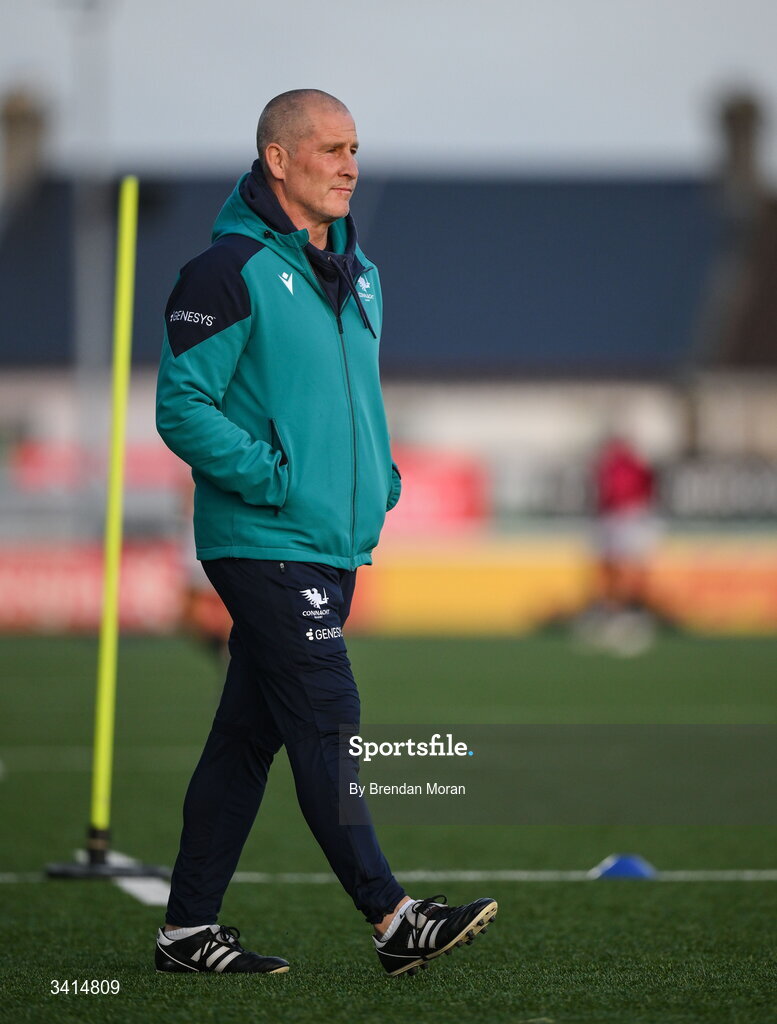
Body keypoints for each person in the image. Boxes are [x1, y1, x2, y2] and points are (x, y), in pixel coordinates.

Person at [154, 89, 497, 977]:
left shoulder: (362, 272)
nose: (350, 165)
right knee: (328, 713)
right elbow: (180, 407)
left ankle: (187, 932)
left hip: (332, 543)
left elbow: (354, 402)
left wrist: (375, 478)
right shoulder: (224, 271)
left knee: (245, 738)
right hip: (261, 538)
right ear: (278, 159)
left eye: (355, 149)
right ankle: (391, 918)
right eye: (330, 149)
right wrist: (274, 476)